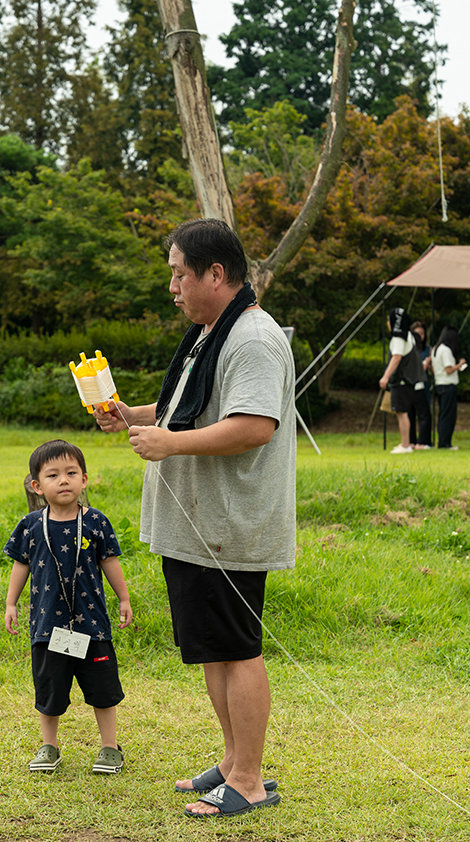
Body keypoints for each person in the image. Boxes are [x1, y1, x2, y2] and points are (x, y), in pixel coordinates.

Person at [95, 218, 295, 818]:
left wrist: (170, 445)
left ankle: (251, 781)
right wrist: (133, 415)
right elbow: (192, 406)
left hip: (228, 528)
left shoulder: (253, 338)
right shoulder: (212, 332)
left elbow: (254, 426)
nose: (174, 287)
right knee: (212, 650)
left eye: (181, 274)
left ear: (216, 273)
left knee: (237, 649)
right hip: (196, 529)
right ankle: (233, 762)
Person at [4, 439, 133, 774]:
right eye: (53, 475)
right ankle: (49, 746)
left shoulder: (96, 522)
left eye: (71, 473)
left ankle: (109, 747)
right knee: (49, 690)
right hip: (48, 628)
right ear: (37, 485)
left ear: (84, 480)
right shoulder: (31, 525)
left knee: (103, 690)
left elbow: (110, 561)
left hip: (92, 625)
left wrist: (123, 597)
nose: (63, 480)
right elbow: (21, 564)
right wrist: (11, 603)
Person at [378, 308, 425, 454]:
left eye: (389, 320)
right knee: (403, 412)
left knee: (401, 412)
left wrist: (386, 376)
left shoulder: (398, 338)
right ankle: (406, 443)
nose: (387, 323)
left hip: (402, 380)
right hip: (409, 380)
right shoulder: (409, 336)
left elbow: (396, 357)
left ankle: (405, 445)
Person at [431, 326, 466, 450]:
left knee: (443, 414)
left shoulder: (436, 349)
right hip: (448, 385)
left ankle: (443, 441)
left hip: (439, 384)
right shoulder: (446, 350)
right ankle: (445, 443)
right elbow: (449, 369)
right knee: (448, 416)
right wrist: (460, 364)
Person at [407, 320, 432, 449]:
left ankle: (418, 441)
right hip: (415, 386)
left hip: (422, 385)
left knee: (421, 413)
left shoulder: (427, 349)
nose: (420, 337)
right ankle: (419, 442)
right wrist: (426, 363)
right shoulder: (410, 350)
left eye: (422, 334)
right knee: (420, 415)